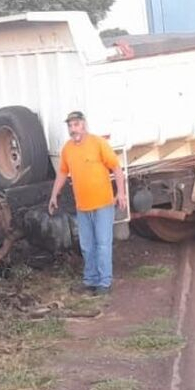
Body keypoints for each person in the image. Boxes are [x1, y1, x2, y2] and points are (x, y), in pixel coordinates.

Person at [49, 111, 127, 295]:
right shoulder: (67, 148)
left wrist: (121, 193)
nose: (73, 129)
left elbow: (116, 167)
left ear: (83, 125)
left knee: (102, 243)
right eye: (70, 126)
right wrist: (54, 195)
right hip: (82, 206)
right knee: (87, 245)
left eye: (76, 125)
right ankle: (90, 280)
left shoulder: (98, 143)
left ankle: (105, 283)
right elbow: (62, 173)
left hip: (103, 205)